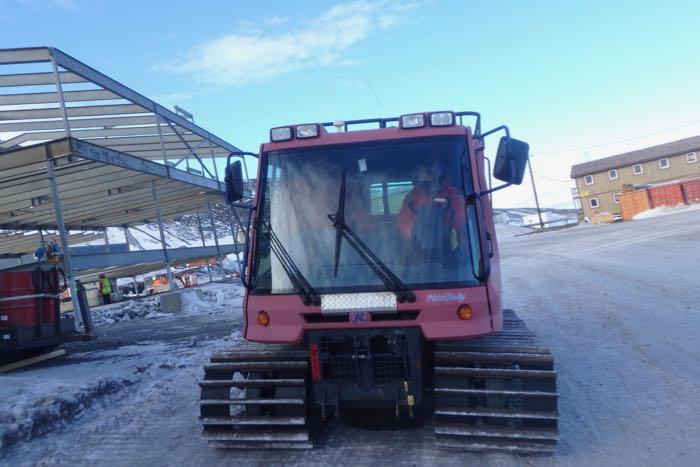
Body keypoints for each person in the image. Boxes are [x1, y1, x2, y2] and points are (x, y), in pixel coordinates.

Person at [397, 165, 467, 257]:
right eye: (420, 172)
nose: (422, 175)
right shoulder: (411, 198)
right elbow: (403, 224)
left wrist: (461, 246)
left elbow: (463, 226)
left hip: (447, 253)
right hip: (419, 253)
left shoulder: (452, 196)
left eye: (426, 171)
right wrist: (413, 241)